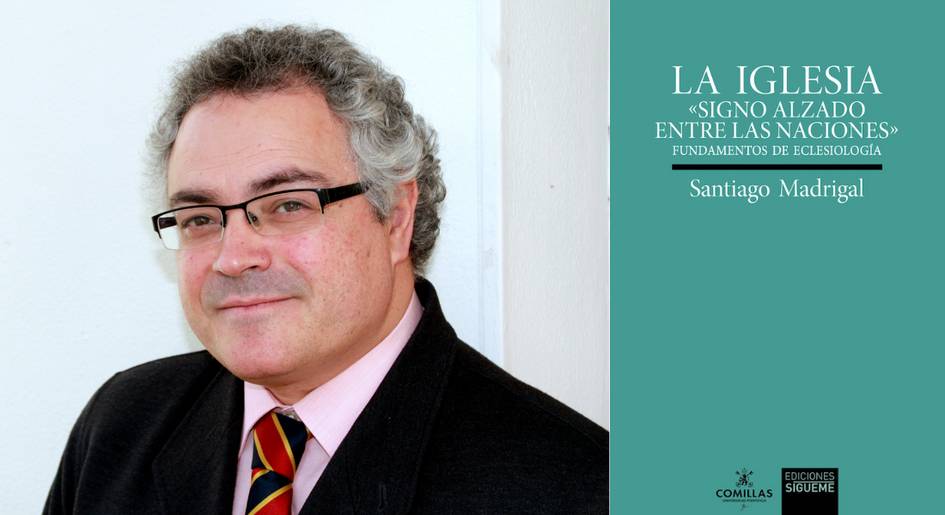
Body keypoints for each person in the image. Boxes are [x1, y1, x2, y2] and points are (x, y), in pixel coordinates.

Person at [44, 25, 608, 515]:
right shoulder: (121, 429)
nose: (233, 257)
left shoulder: (576, 487)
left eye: (288, 205)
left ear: (396, 217)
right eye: (199, 218)